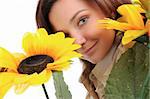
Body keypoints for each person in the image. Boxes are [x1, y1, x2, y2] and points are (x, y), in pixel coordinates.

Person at [35, 0, 149, 99]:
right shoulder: (94, 78)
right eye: (65, 36)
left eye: (82, 20)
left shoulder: (144, 59)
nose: (78, 41)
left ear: (108, 9)